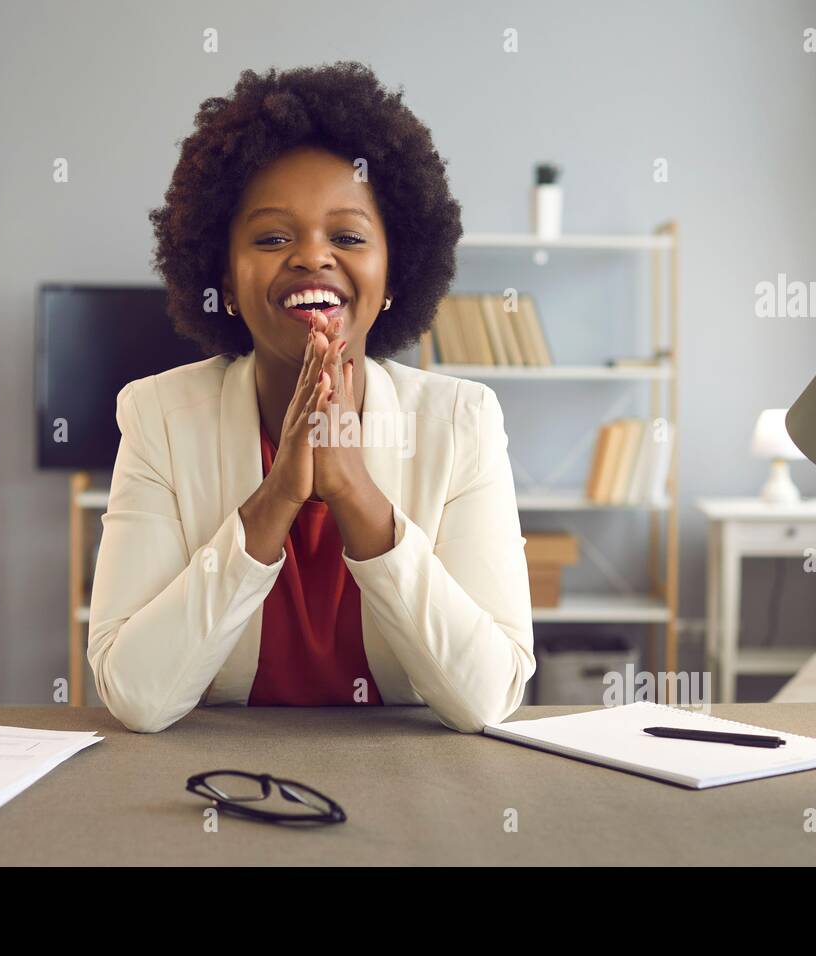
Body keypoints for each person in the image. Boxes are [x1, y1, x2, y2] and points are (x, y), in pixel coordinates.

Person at [89, 62, 534, 733]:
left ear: (393, 274)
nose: (311, 257)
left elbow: (486, 698)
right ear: (225, 280)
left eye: (348, 237)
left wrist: (355, 491)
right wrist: (274, 502)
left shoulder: (462, 423)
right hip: (221, 785)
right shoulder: (157, 417)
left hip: (410, 791)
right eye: (272, 238)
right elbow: (137, 698)